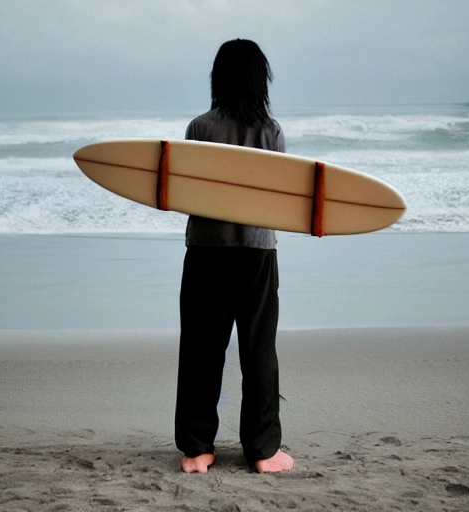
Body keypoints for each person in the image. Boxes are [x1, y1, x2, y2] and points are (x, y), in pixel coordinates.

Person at [175, 39, 294, 474]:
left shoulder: (199, 128)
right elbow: (279, 200)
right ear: (259, 80)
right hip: (257, 253)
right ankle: (263, 450)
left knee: (202, 347)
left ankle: (197, 448)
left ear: (218, 79)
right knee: (259, 349)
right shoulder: (271, 131)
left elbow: (187, 194)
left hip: (206, 250)